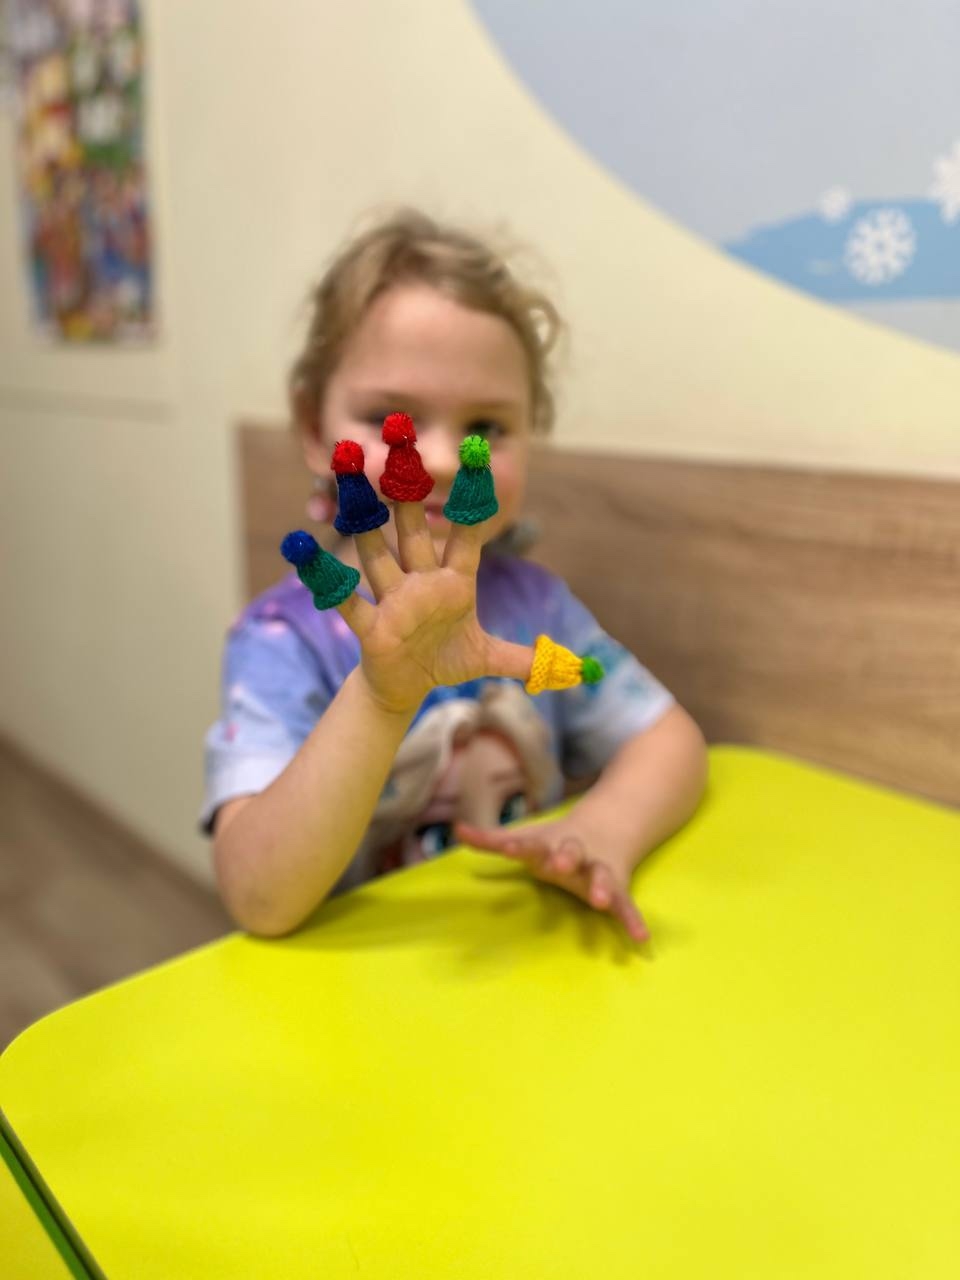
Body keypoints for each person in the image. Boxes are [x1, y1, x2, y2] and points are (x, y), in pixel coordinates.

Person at [202, 209, 707, 941]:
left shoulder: (538, 606)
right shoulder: (282, 640)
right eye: (391, 417)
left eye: (486, 428)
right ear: (315, 429)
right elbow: (258, 898)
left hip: (523, 956)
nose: (439, 458)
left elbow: (668, 740)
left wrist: (605, 826)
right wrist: (381, 698)